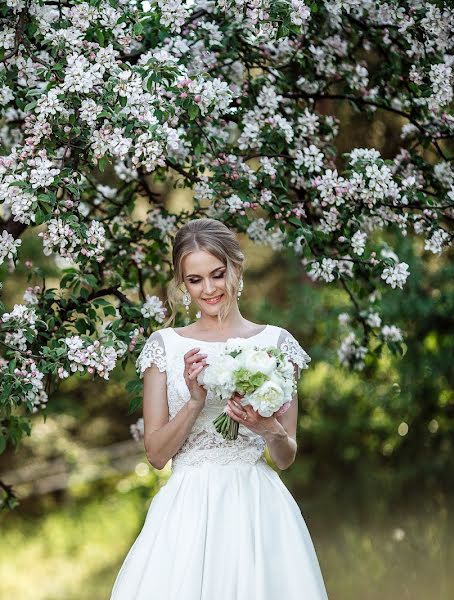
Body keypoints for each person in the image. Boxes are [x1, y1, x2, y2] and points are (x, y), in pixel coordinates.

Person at [110, 218, 328, 599]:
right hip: (188, 510)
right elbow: (156, 455)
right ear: (183, 284)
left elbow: (286, 455)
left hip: (258, 506)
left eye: (217, 274)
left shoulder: (276, 344)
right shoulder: (165, 346)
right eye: (195, 280)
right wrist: (195, 401)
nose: (209, 289)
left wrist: (266, 427)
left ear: (236, 269)